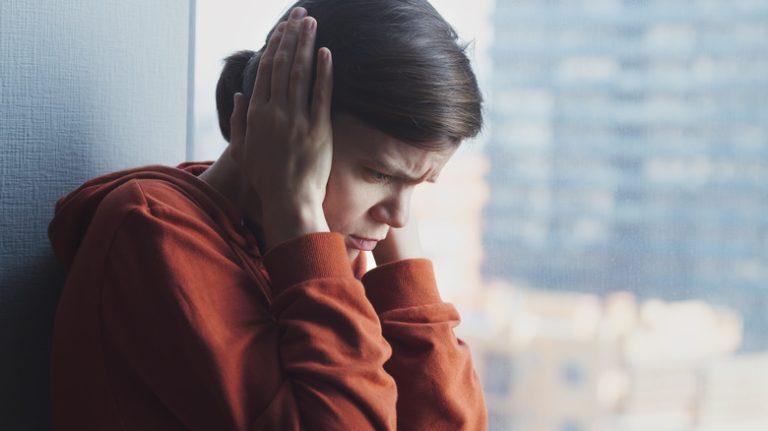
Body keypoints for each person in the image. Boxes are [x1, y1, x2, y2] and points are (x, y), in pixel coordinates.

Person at [48, 0, 486, 429]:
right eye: (378, 173)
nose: (399, 216)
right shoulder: (152, 234)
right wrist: (298, 215)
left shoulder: (322, 245)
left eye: (419, 184)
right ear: (282, 130)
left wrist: (399, 266)